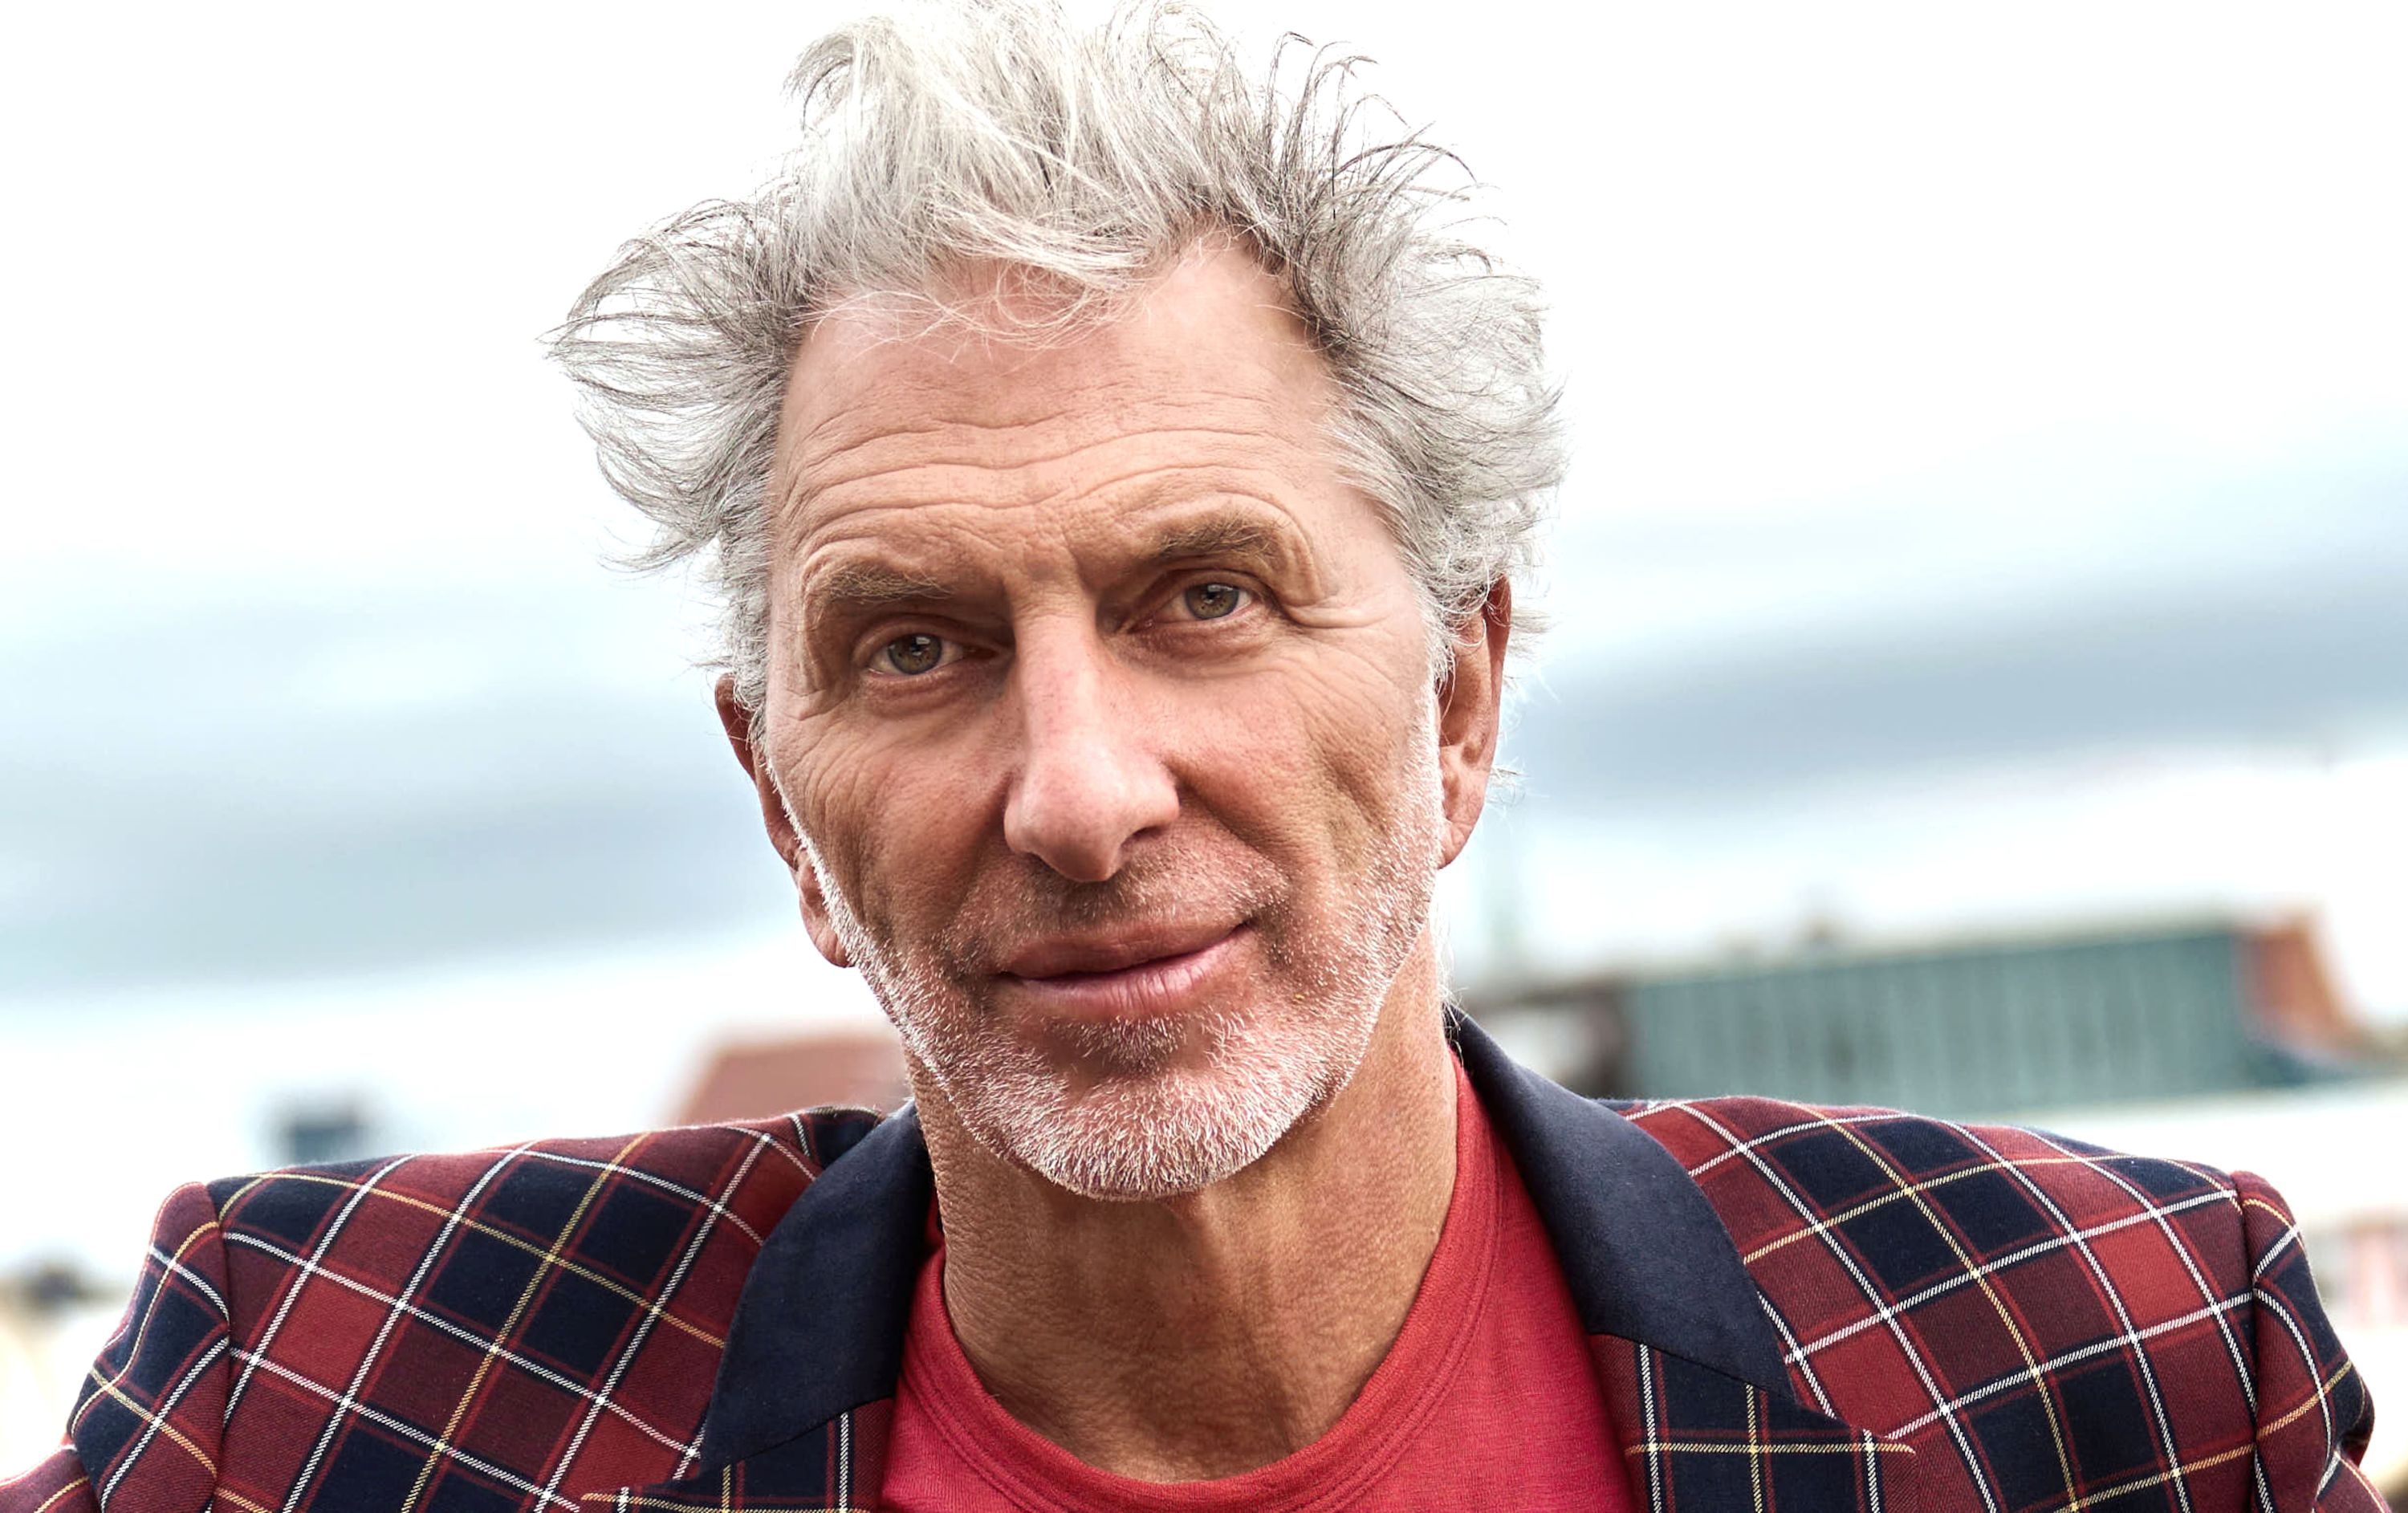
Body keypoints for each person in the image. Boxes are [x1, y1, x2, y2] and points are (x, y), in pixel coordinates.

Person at [3, 3, 2380, 1509]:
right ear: (783, 809)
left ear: (1457, 696)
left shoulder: (2110, 1362)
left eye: (1205, 597)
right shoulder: (330, 1402)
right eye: (914, 645)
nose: (1077, 791)